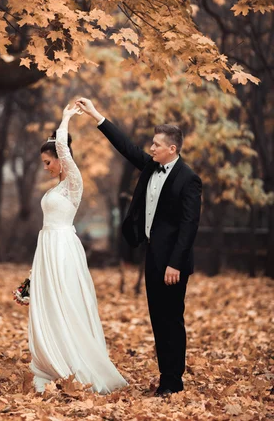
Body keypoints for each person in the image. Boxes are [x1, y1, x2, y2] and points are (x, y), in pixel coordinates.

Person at [76, 97, 202, 398]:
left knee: (172, 319)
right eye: (152, 143)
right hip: (152, 257)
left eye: (157, 144)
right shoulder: (150, 167)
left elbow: (189, 226)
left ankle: (174, 381)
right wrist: (96, 115)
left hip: (173, 263)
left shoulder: (189, 180)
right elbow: (125, 146)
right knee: (158, 319)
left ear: (172, 149)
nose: (152, 148)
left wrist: (175, 263)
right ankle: (165, 378)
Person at [27, 103, 128, 394]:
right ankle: (53, 360)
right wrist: (32, 277)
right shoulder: (54, 189)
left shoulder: (73, 182)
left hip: (63, 248)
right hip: (46, 248)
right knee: (49, 303)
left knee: (66, 301)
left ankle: (73, 362)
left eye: (48, 162)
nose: (45, 167)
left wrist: (66, 117)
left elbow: (62, 146)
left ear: (60, 159)